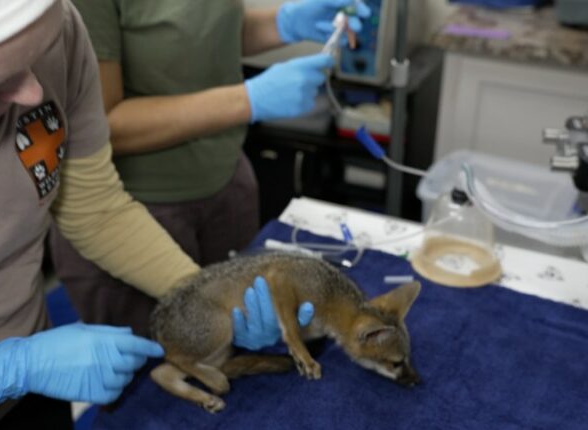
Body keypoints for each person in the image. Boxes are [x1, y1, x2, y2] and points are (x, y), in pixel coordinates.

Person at [0, 1, 314, 429]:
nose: (34, 94)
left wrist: (202, 295)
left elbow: (95, 209)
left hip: (30, 384)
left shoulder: (59, 29)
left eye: (39, 55)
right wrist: (4, 371)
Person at [51, 0, 369, 336]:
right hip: (140, 212)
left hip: (226, 181)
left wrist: (281, 24)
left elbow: (195, 38)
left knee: (237, 346)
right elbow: (99, 127)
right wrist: (246, 100)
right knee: (166, 362)